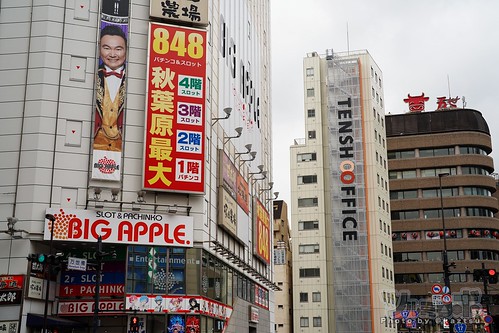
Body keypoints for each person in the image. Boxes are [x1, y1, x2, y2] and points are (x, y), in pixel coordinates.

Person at [93, 24, 127, 151]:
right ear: (99, 49)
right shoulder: (93, 76)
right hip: (96, 147)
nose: (112, 54)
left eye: (118, 49)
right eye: (107, 48)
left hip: (122, 150)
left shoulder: (135, 80)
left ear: (126, 51)